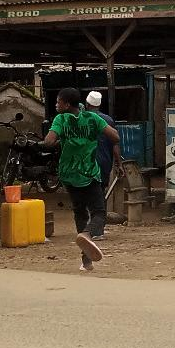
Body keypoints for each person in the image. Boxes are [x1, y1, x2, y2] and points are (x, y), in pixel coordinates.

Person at [43, 87, 121, 272]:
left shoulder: (61, 119)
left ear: (67, 104)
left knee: (79, 212)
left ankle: (86, 261)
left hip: (69, 174)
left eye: (58, 101)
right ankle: (87, 234)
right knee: (99, 212)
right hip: (89, 172)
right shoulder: (93, 118)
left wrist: (63, 138)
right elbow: (115, 137)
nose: (56, 104)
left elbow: (48, 142)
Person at [84, 90, 122, 244]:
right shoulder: (108, 120)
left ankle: (92, 228)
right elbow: (115, 144)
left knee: (87, 195)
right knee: (100, 195)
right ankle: (97, 228)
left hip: (85, 163)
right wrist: (119, 164)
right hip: (104, 163)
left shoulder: (81, 119)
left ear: (87, 104)